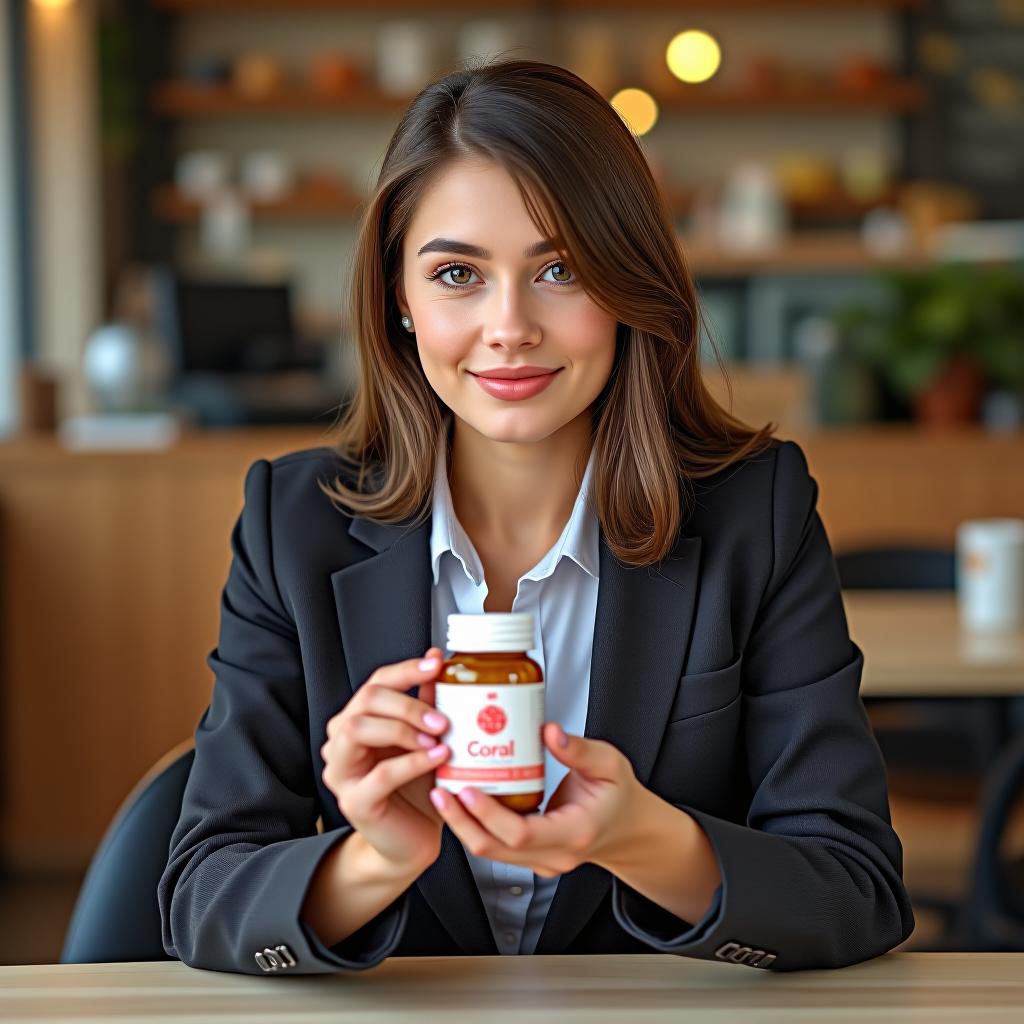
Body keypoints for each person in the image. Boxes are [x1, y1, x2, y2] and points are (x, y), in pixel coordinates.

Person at [158, 59, 914, 976]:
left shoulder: (759, 510)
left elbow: (858, 889)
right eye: (456, 274)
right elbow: (200, 897)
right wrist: (376, 858)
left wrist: (644, 840)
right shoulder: (293, 526)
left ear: (630, 283)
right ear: (399, 297)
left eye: (559, 269)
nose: (509, 326)